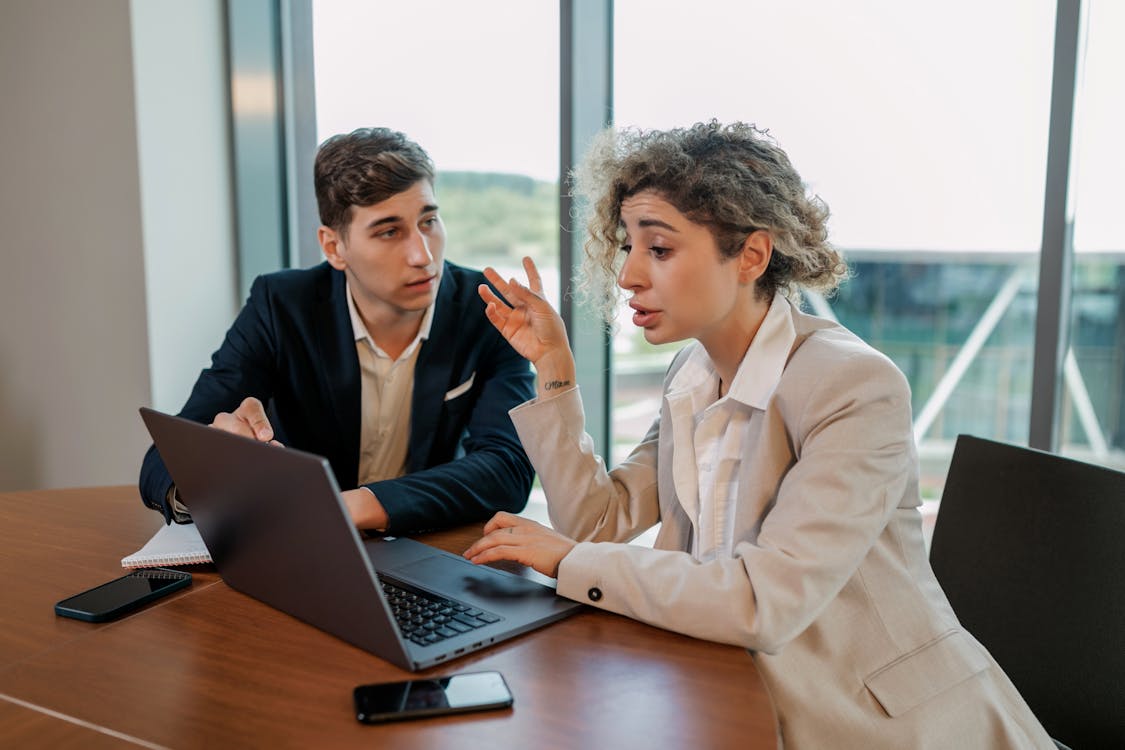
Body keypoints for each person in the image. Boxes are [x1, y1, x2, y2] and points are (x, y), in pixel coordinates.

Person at [464, 121, 1053, 748]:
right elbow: (595, 521)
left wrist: (572, 559)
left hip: (878, 721)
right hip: (725, 689)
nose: (629, 275)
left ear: (751, 255)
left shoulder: (856, 387)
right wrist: (552, 367)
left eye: (658, 249)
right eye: (629, 247)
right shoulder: (692, 375)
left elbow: (763, 599)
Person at [139, 127, 535, 534]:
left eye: (429, 221)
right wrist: (206, 469)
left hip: (428, 545)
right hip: (305, 549)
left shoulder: (488, 310)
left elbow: (508, 467)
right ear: (333, 248)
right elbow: (162, 460)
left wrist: (355, 506)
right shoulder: (280, 306)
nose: (422, 255)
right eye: (389, 231)